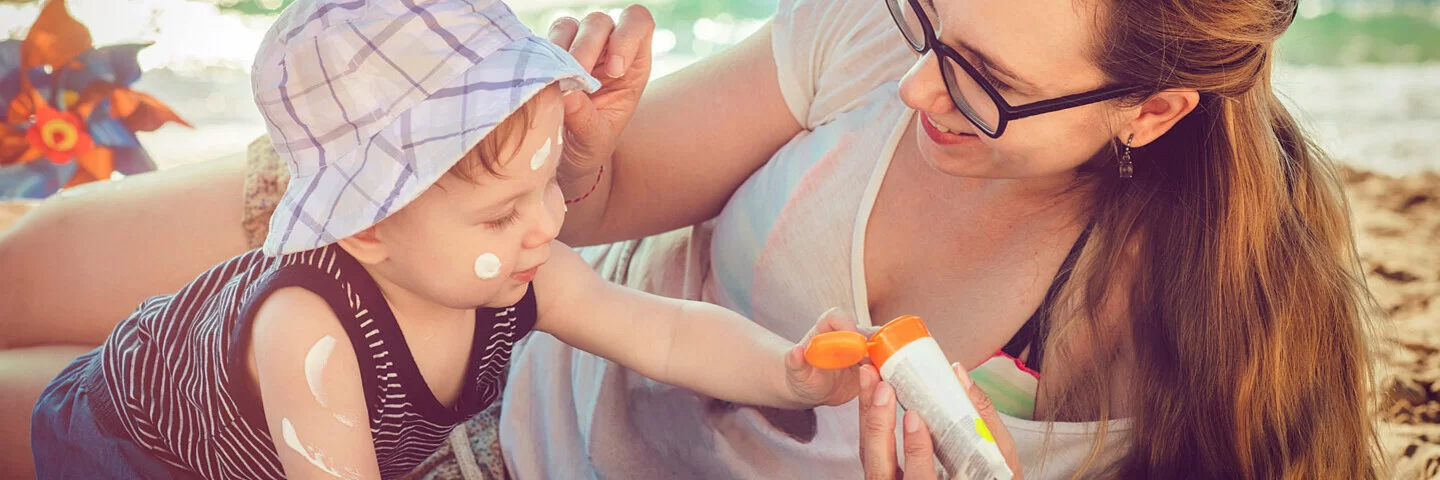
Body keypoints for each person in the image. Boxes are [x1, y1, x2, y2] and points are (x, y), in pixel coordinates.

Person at [0, 0, 1384, 477]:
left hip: (467, 368)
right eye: (929, 26)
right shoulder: (876, 41)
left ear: (1149, 112)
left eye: (981, 83)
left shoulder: (1210, 338)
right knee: (28, 280)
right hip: (453, 250)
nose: (914, 87)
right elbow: (585, 213)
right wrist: (583, 162)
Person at [23, 1, 856, 478]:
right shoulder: (309, 332)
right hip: (129, 438)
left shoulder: (522, 269)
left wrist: (787, 373)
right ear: (368, 226)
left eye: (545, 183)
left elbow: (663, 333)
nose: (547, 223)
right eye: (501, 214)